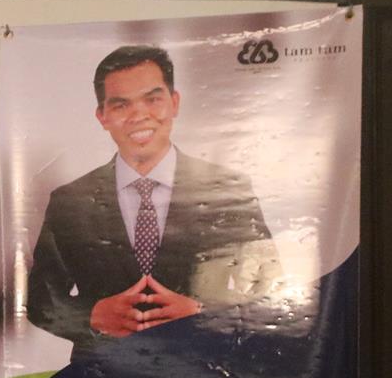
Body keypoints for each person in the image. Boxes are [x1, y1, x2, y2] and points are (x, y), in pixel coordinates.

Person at [25, 44, 280, 358]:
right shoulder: (70, 201)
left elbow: (269, 291)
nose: (138, 115)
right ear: (102, 116)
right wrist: (90, 316)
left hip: (203, 375)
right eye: (121, 105)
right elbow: (39, 299)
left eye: (152, 99)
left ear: (174, 103)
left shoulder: (227, 190)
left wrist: (202, 313)